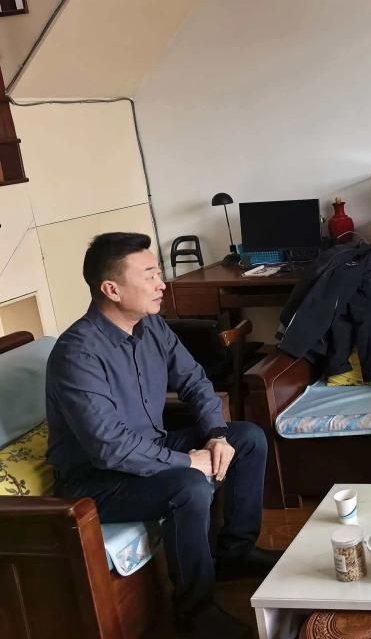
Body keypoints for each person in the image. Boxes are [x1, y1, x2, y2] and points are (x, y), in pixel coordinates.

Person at [46, 233, 280, 639]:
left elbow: (194, 380)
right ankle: (194, 611)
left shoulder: (151, 325)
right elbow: (110, 448)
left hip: (148, 448)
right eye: (150, 275)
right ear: (112, 289)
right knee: (188, 486)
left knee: (246, 438)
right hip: (96, 479)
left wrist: (216, 435)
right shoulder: (77, 354)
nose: (162, 284)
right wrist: (188, 461)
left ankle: (235, 552)